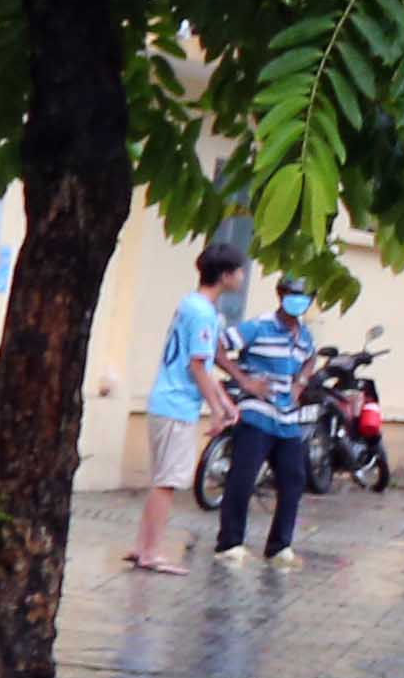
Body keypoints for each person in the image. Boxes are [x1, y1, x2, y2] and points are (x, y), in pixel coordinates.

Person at [130, 238, 248, 576]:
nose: (241, 276)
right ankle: (151, 552)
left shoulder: (190, 305)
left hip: (165, 401)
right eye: (238, 271)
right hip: (177, 405)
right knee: (167, 482)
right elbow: (198, 365)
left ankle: (143, 546)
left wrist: (223, 401)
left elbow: (203, 364)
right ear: (225, 275)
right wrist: (217, 408)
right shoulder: (203, 314)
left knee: (161, 480)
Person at [219, 271, 317, 562]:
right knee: (244, 476)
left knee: (294, 478)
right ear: (281, 296)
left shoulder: (305, 336)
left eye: (303, 297)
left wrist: (301, 382)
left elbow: (311, 358)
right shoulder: (259, 326)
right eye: (291, 295)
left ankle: (279, 546)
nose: (296, 302)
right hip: (257, 412)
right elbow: (218, 347)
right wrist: (244, 379)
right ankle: (229, 543)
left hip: (287, 417)